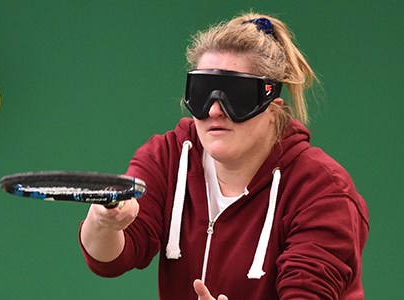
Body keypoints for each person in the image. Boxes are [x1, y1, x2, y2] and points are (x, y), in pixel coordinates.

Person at [79, 11, 369, 299]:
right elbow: (110, 259)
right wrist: (103, 223)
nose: (215, 110)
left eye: (237, 96)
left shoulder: (323, 191)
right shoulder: (167, 157)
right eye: (203, 93)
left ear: (273, 107)